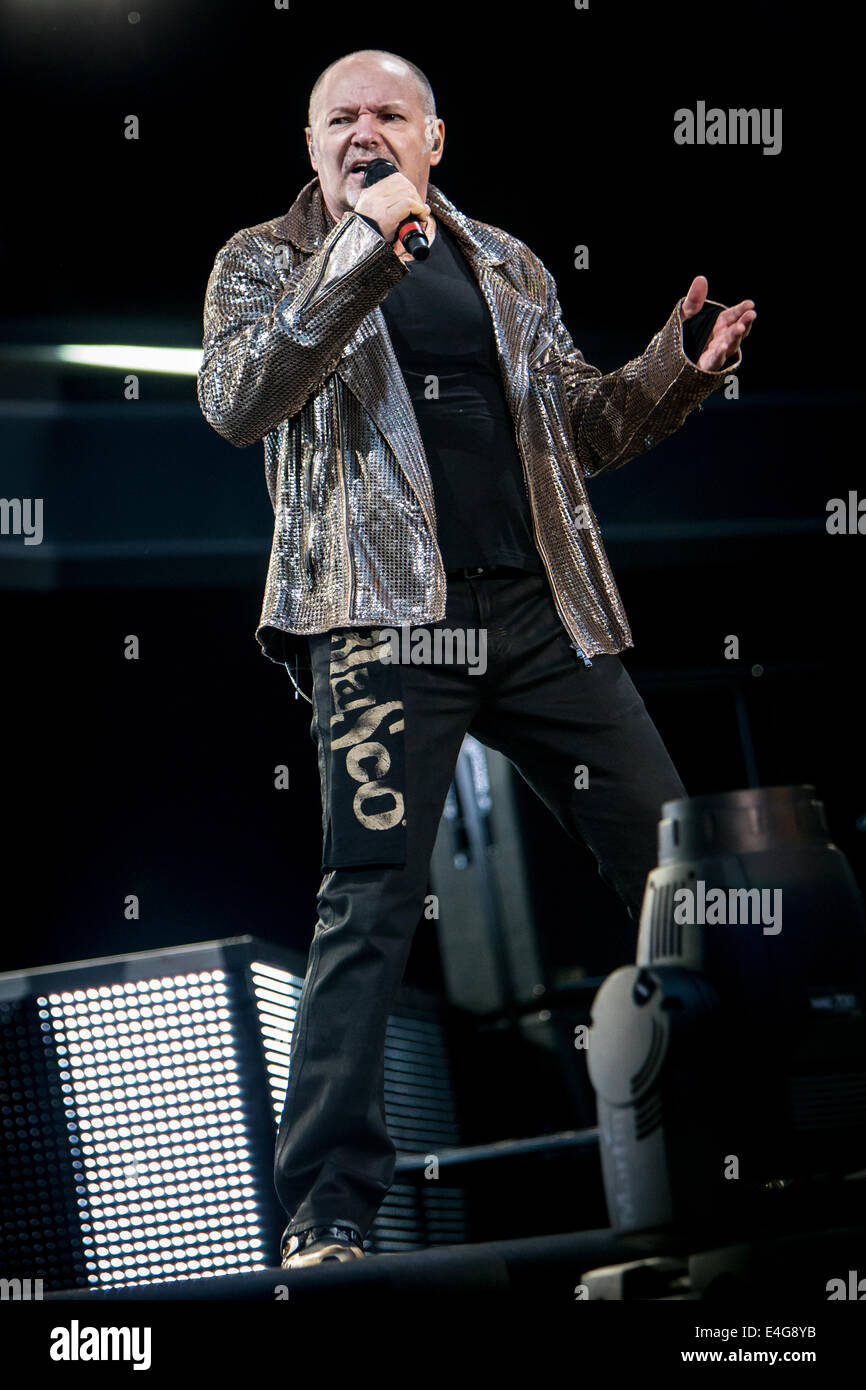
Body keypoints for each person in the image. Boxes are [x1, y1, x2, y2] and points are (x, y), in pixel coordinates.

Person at [197, 48, 756, 1270]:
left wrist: (674, 369)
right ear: (309, 144)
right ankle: (329, 1214)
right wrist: (360, 247)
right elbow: (242, 399)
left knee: (679, 866)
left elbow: (582, 431)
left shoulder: (504, 261)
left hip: (536, 614)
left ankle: (758, 1145)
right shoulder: (262, 260)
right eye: (337, 117)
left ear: (431, 139)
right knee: (370, 904)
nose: (362, 130)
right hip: (379, 622)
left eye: (386, 113)